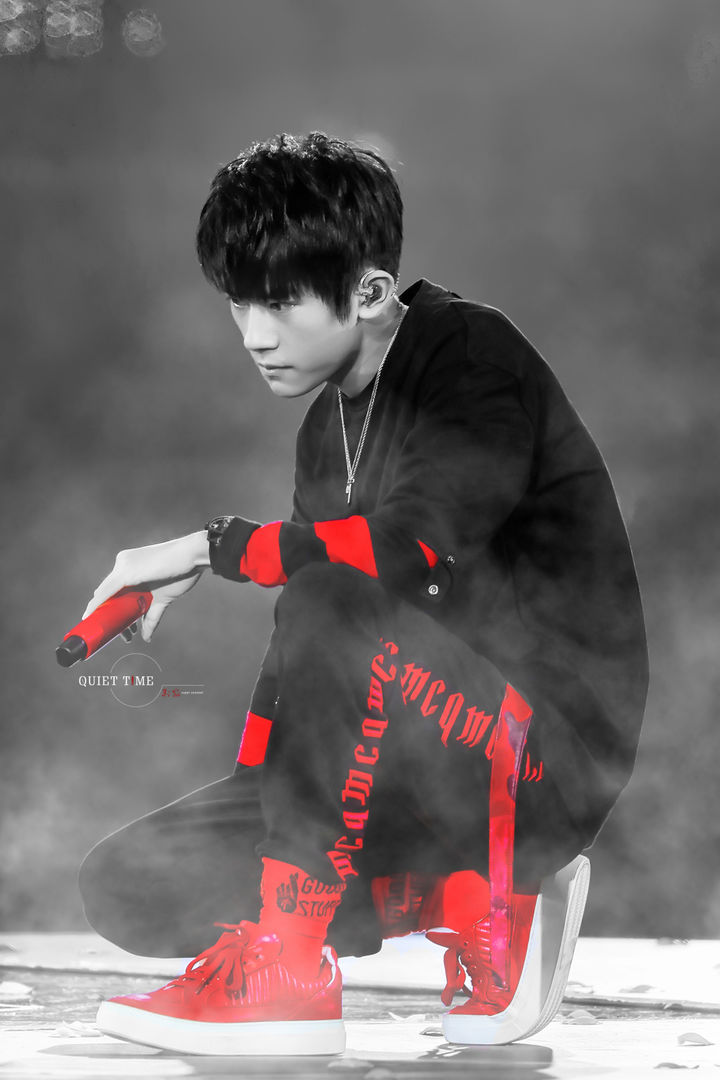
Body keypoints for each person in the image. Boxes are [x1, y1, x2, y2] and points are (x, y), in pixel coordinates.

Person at [78, 132, 648, 1056]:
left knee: (333, 596)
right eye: (238, 303)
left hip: (543, 757)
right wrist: (273, 800)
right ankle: (463, 895)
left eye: (280, 302)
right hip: (401, 758)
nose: (255, 335)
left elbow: (405, 553)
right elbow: (301, 648)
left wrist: (211, 548)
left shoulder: (471, 356)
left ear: (373, 292)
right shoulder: (323, 432)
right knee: (130, 882)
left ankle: (297, 969)